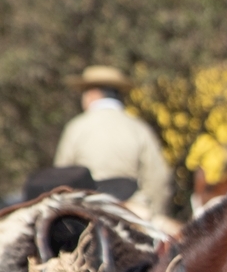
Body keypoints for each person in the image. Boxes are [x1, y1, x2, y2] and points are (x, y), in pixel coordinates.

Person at [54, 65, 171, 218]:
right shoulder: (139, 128)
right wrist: (154, 212)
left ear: (93, 94)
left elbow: (61, 176)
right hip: (132, 208)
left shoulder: (76, 128)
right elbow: (158, 178)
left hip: (87, 209)